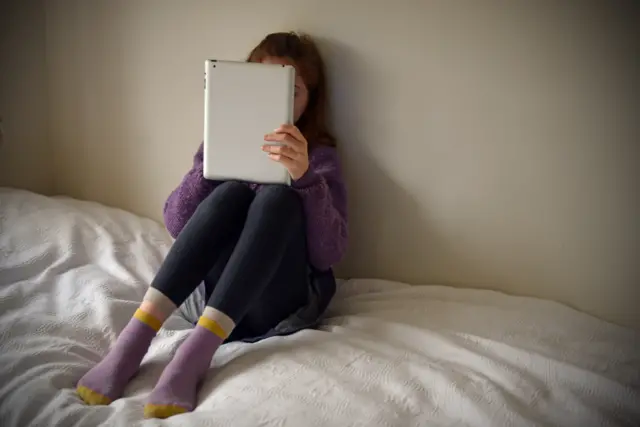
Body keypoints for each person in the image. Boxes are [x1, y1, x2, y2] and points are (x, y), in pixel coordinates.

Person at [75, 31, 348, 419]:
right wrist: (212, 160)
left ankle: (194, 356)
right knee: (231, 193)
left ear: (310, 99)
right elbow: (176, 223)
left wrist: (304, 179)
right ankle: (133, 343)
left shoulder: (319, 159)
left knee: (276, 198)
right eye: (264, 87)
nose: (278, 103)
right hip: (210, 298)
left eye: (293, 91)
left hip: (276, 303)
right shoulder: (220, 146)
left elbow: (328, 254)